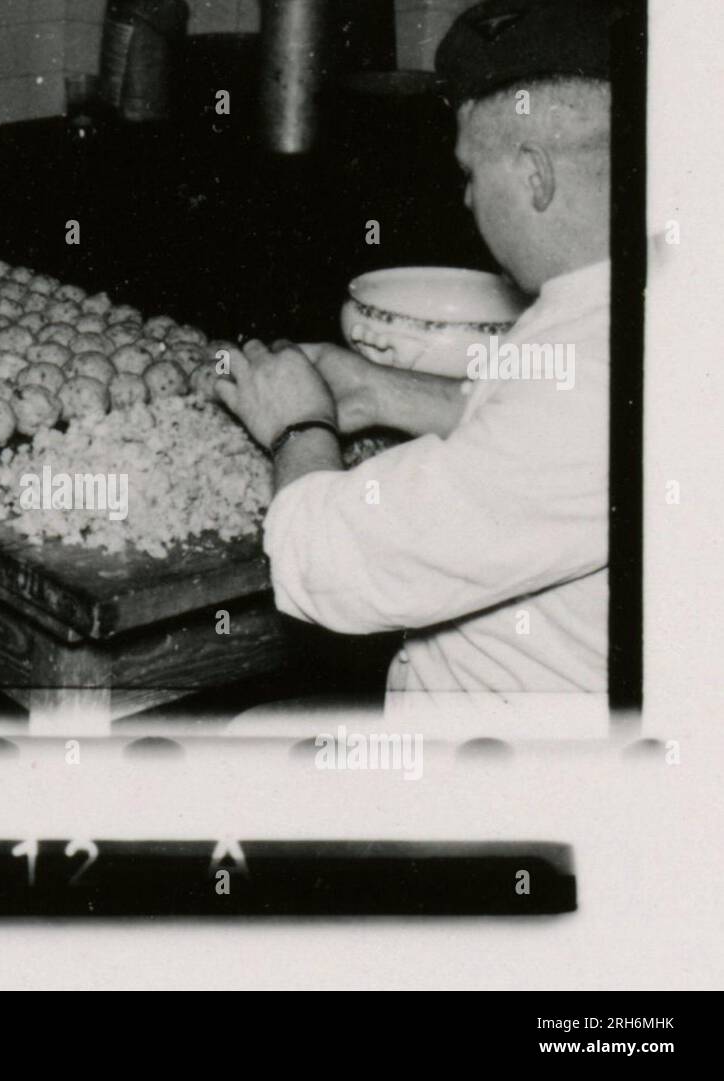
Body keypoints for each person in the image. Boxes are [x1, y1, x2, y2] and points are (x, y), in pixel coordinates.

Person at [218, 0, 618, 706]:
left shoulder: (583, 377)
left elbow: (333, 565)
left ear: (534, 175)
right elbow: (530, 445)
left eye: (469, 173)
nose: (465, 200)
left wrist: (296, 426)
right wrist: (378, 391)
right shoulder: (621, 306)